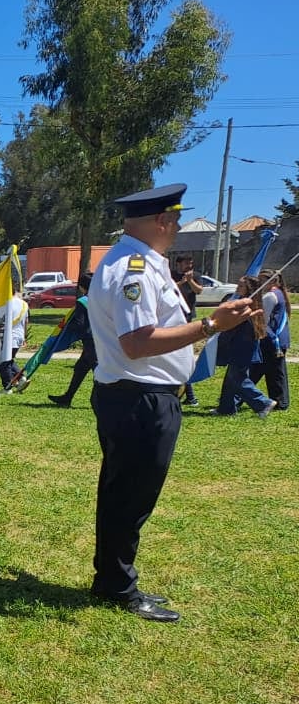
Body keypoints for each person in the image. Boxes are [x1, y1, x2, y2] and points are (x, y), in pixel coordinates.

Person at [87, 183, 258, 622]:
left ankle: (112, 579)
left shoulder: (137, 262)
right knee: (130, 498)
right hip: (139, 399)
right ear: (161, 220)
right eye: (176, 219)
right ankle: (117, 586)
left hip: (135, 397)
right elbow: (137, 342)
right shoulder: (135, 269)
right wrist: (210, 326)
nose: (179, 226)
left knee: (123, 494)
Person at [213, 274, 275, 418]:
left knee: (237, 377)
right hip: (238, 345)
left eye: (241, 286)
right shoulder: (243, 302)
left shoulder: (248, 306)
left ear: (249, 289)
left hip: (242, 347)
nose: (237, 288)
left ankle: (263, 402)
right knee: (231, 377)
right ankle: (226, 407)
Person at [47, 272, 97, 407]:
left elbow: (80, 324)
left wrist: (68, 326)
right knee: (80, 369)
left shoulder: (83, 302)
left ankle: (100, 401)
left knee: (98, 372)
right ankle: (67, 397)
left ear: (81, 287)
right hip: (99, 339)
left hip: (90, 341)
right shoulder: (101, 299)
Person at [249, 268, 290, 410]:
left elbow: (263, 319)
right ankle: (280, 401)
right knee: (275, 372)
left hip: (271, 339)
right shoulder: (279, 294)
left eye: (262, 280)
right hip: (278, 339)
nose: (259, 283)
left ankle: (279, 401)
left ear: (272, 281)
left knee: (267, 371)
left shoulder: (270, 296)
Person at [172, 254, 203, 406]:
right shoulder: (170, 274)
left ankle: (190, 396)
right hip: (172, 317)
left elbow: (199, 291)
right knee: (178, 356)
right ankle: (189, 396)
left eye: (191, 263)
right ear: (178, 264)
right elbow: (167, 290)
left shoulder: (195, 276)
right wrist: (181, 282)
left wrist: (190, 281)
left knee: (182, 356)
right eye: (186, 263)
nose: (189, 265)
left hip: (187, 318)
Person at [0, 283, 29, 392]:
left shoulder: (6, 305)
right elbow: (26, 321)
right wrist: (24, 336)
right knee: (9, 360)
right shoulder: (24, 304)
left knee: (4, 363)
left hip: (8, 337)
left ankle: (8, 386)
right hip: (19, 336)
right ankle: (21, 377)